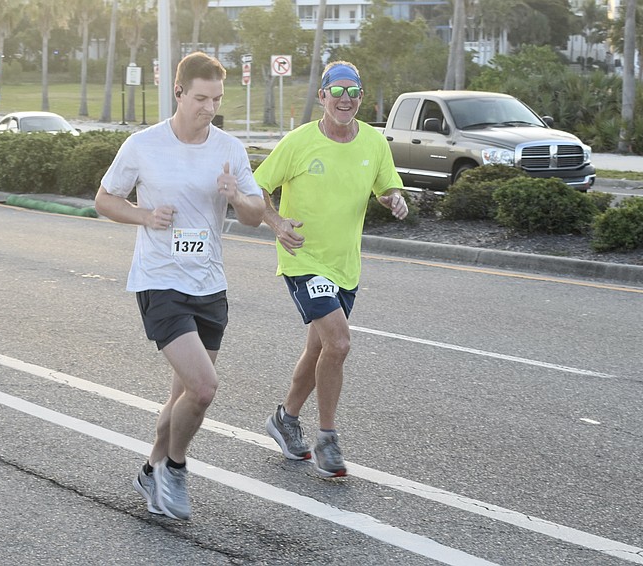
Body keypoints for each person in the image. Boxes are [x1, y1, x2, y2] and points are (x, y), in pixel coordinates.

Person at [95, 52, 264, 520]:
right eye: (200, 98)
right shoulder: (143, 145)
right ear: (178, 93)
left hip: (209, 283)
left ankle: (149, 470)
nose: (208, 107)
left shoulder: (229, 148)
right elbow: (105, 199)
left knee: (183, 397)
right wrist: (144, 216)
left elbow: (254, 215)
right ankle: (175, 466)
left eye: (216, 99)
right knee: (204, 388)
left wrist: (236, 197)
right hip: (159, 279)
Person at [254, 61, 408, 478]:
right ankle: (327, 438)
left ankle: (285, 419)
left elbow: (385, 185)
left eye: (353, 91)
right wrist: (277, 223)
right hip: (303, 258)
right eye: (336, 91)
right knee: (338, 343)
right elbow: (258, 187)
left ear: (361, 95)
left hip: (345, 266)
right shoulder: (299, 142)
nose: (346, 99)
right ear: (322, 97)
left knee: (320, 349)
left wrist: (394, 198)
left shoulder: (374, 142)